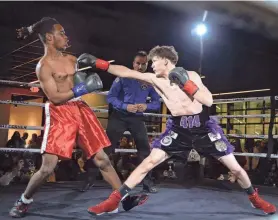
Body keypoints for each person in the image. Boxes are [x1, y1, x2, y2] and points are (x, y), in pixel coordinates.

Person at [76, 46, 276, 215]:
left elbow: (208, 100)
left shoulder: (191, 75)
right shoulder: (155, 79)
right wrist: (101, 64)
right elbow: (126, 72)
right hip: (178, 128)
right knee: (149, 162)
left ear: (165, 60)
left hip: (202, 127)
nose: (151, 65)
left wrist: (187, 85)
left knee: (235, 168)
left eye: (154, 61)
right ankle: (114, 201)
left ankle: (254, 199)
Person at [9, 17, 146, 218]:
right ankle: (24, 201)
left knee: (103, 159)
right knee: (48, 167)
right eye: (61, 32)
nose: (66, 36)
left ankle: (123, 197)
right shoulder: (43, 66)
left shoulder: (73, 60)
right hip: (59, 112)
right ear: (49, 37)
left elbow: (96, 75)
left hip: (80, 110)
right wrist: (83, 88)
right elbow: (55, 97)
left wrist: (94, 69)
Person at [105, 50, 160, 193]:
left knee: (145, 151)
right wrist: (125, 106)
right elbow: (110, 97)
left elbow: (157, 103)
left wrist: (146, 106)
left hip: (137, 118)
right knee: (106, 148)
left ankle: (148, 183)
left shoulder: (149, 80)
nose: (140, 66)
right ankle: (89, 180)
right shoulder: (123, 76)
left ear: (147, 64)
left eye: (143, 64)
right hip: (119, 116)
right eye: (138, 63)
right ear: (133, 63)